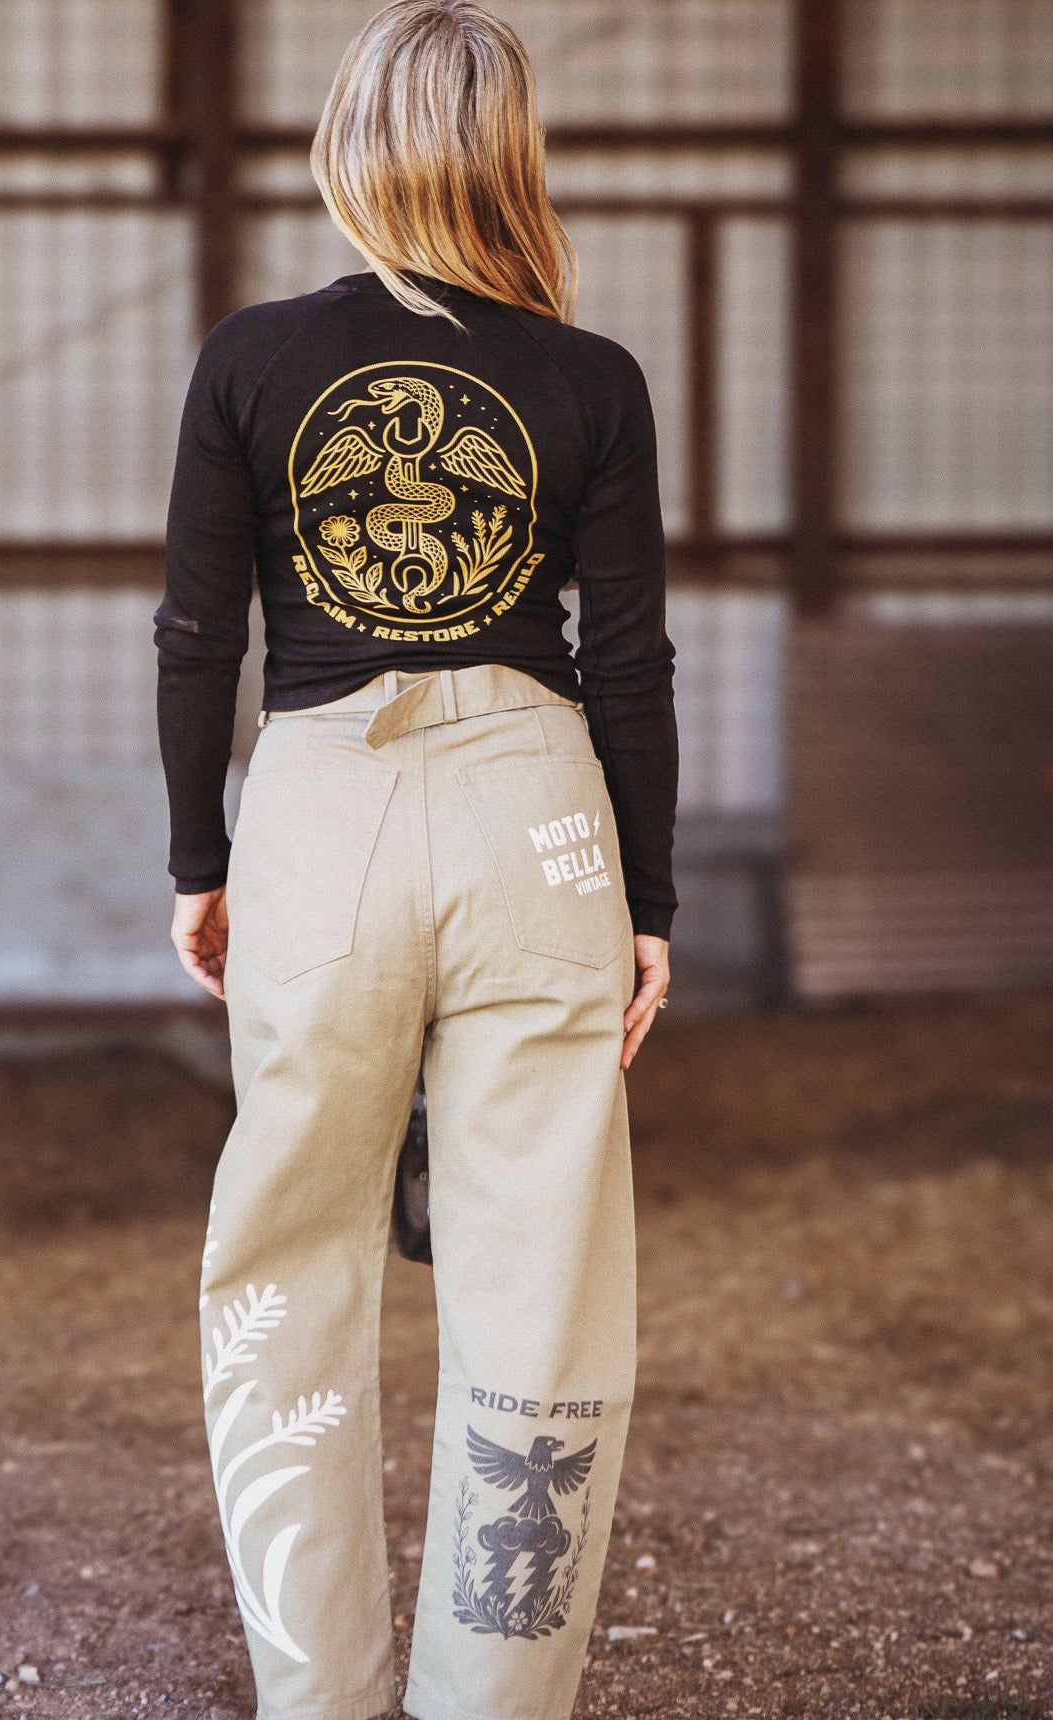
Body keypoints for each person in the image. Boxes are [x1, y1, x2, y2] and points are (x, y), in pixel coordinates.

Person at [152, 3, 676, 1713]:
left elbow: (197, 639)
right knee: (540, 1275)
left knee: (285, 1264)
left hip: (318, 814)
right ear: (512, 154)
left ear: (346, 148)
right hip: (540, 817)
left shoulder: (250, 359)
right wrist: (645, 903)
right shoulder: (591, 380)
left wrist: (200, 860)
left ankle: (317, 1694)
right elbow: (630, 663)